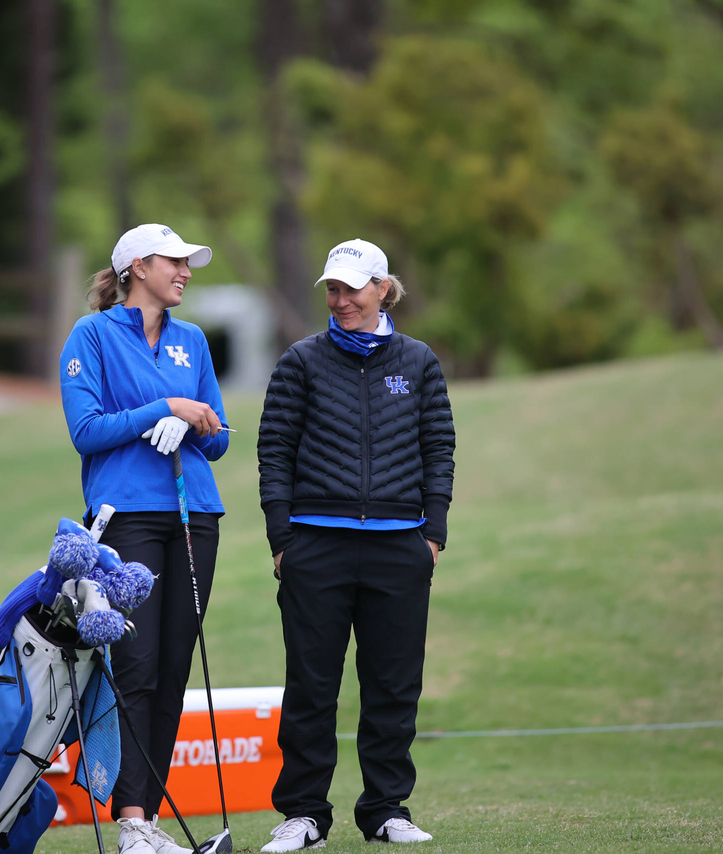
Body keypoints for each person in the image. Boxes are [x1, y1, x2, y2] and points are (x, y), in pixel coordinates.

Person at [257, 239, 455, 849]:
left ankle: (386, 808)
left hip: (401, 545)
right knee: (311, 684)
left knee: (394, 684)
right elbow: (275, 452)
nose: (341, 301)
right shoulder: (301, 360)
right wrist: (282, 537)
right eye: (333, 290)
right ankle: (305, 814)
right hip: (316, 545)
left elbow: (438, 447)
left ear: (381, 289)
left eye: (352, 289)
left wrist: (433, 531)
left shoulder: (417, 361)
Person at [59, 224, 230, 854]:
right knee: (136, 666)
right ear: (136, 266)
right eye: (175, 262)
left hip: (194, 513)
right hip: (125, 514)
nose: (185, 272)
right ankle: (133, 822)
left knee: (175, 667)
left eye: (189, 264)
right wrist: (164, 410)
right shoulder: (93, 335)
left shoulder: (192, 340)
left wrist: (194, 421)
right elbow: (87, 430)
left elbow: (220, 436)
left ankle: (149, 822)